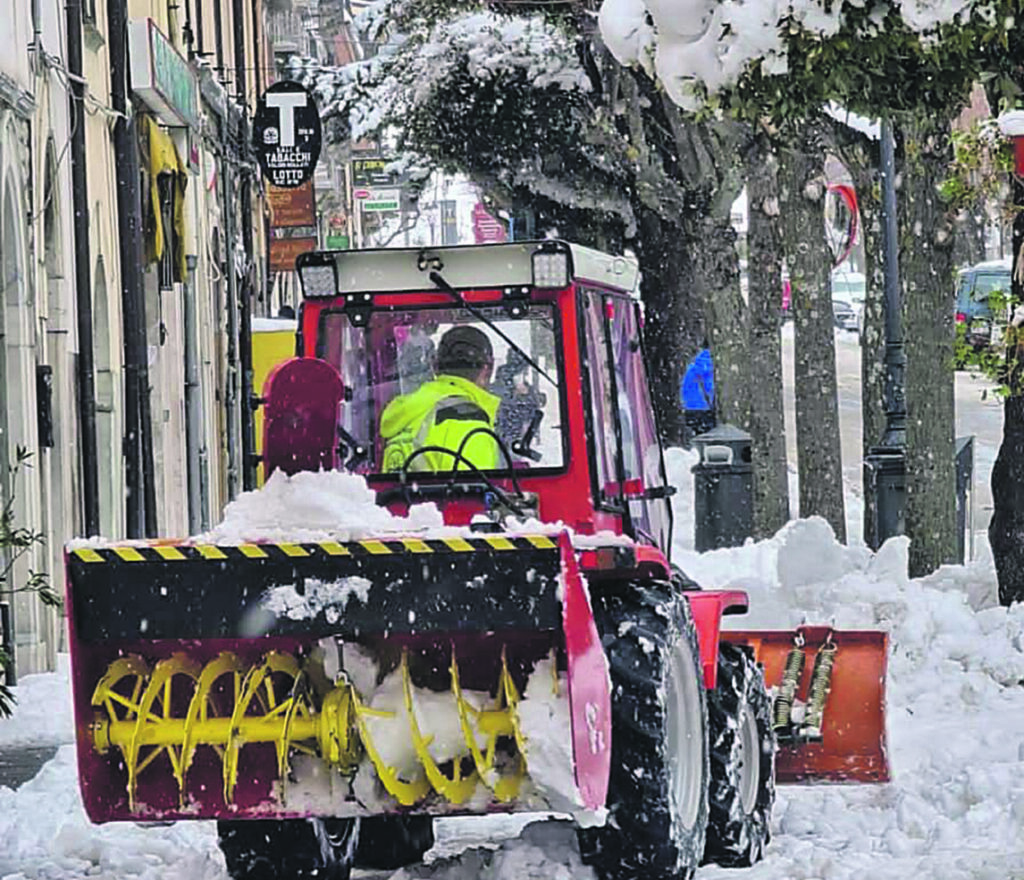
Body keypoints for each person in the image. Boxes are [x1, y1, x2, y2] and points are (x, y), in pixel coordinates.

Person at [380, 325, 500, 472]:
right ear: (487, 370)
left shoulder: (404, 416)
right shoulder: (468, 423)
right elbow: (474, 492)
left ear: (434, 365)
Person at [681, 339, 716, 445]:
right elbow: (711, 388)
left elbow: (685, 387)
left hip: (690, 409)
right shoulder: (712, 366)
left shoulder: (692, 367)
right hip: (705, 410)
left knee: (697, 441)